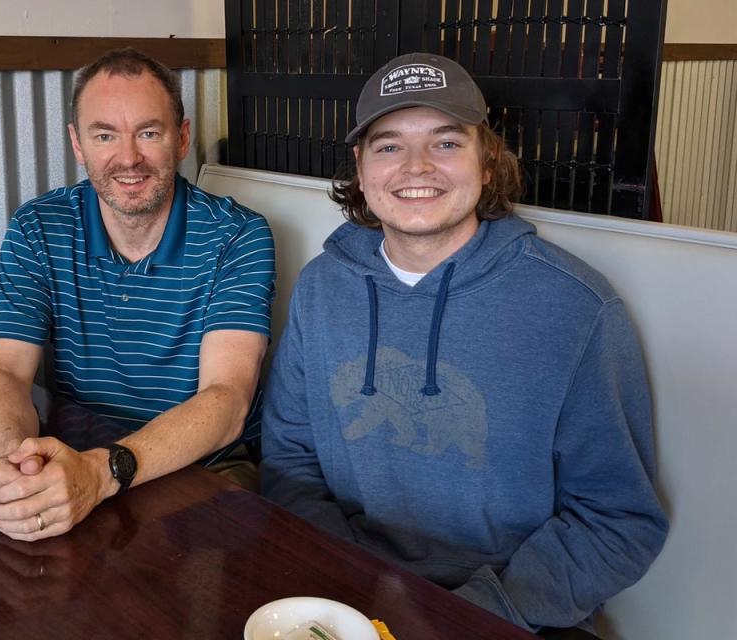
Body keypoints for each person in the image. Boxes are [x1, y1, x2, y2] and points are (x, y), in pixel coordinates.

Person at [260, 52, 668, 636]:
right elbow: (290, 457)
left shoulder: (577, 308)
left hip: (508, 614)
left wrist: (468, 614)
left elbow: (618, 519)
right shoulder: (325, 285)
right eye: (389, 144)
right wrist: (352, 584)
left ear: (487, 160)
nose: (415, 166)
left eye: (447, 143)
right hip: (343, 594)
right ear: (361, 164)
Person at [0, 48, 275, 541]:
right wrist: (20, 463)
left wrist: (101, 473)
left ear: (182, 137)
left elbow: (226, 400)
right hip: (71, 454)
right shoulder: (38, 227)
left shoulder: (237, 236)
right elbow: (4, 368)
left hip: (201, 468)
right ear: (78, 142)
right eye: (105, 135)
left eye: (149, 132)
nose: (128, 157)